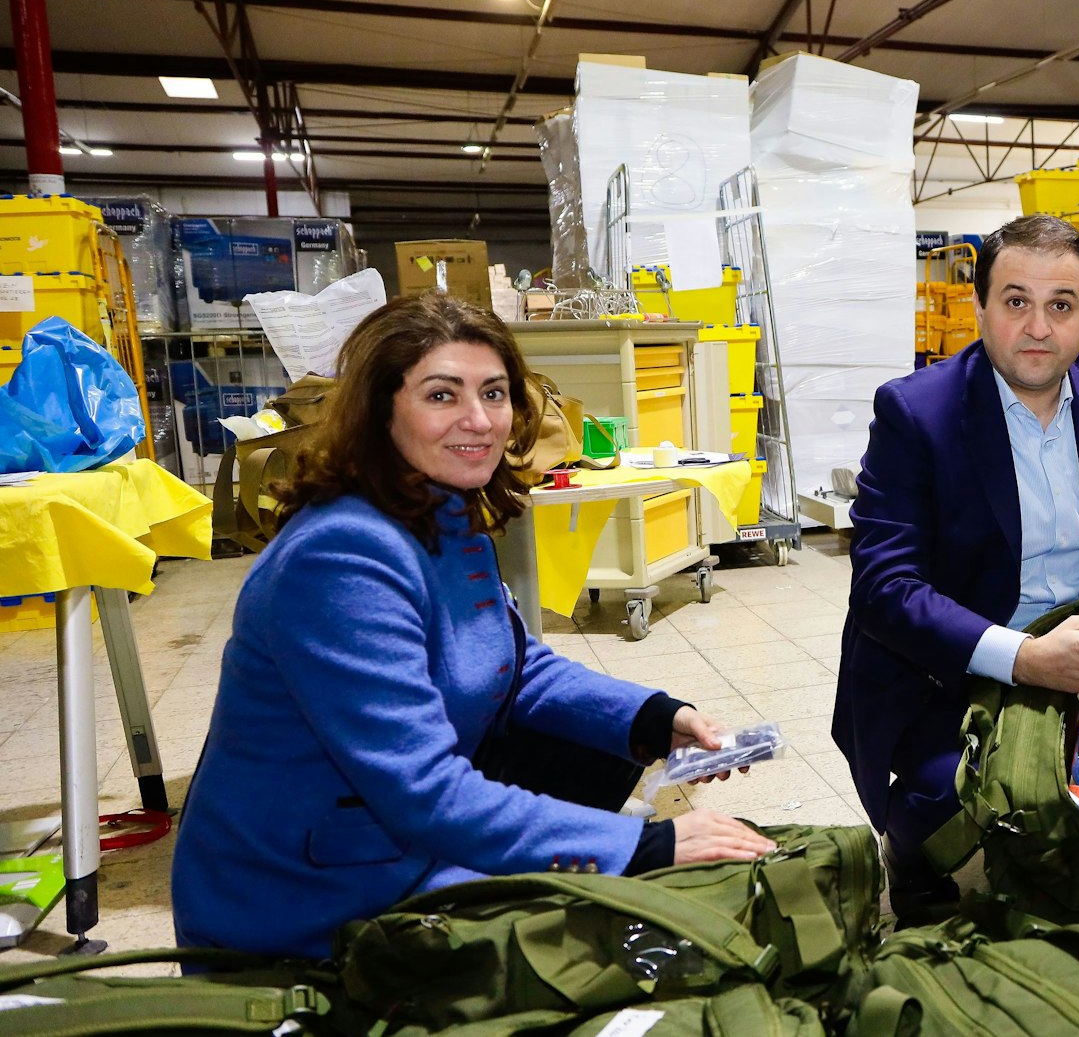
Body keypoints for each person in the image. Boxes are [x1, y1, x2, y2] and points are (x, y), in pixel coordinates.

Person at [172, 294, 775, 960]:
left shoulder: (443, 517)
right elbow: (426, 790)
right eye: (441, 394)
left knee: (600, 757)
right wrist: (643, 846)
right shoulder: (340, 557)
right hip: (309, 896)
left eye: (494, 392)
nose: (479, 419)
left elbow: (513, 666)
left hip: (390, 843)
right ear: (379, 411)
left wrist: (656, 718)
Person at [833, 214, 1079, 924]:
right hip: (961, 665)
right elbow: (886, 587)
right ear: (980, 307)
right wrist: (1027, 659)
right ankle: (911, 853)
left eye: (1060, 306)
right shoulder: (916, 414)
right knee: (943, 797)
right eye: (1016, 301)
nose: (1037, 327)